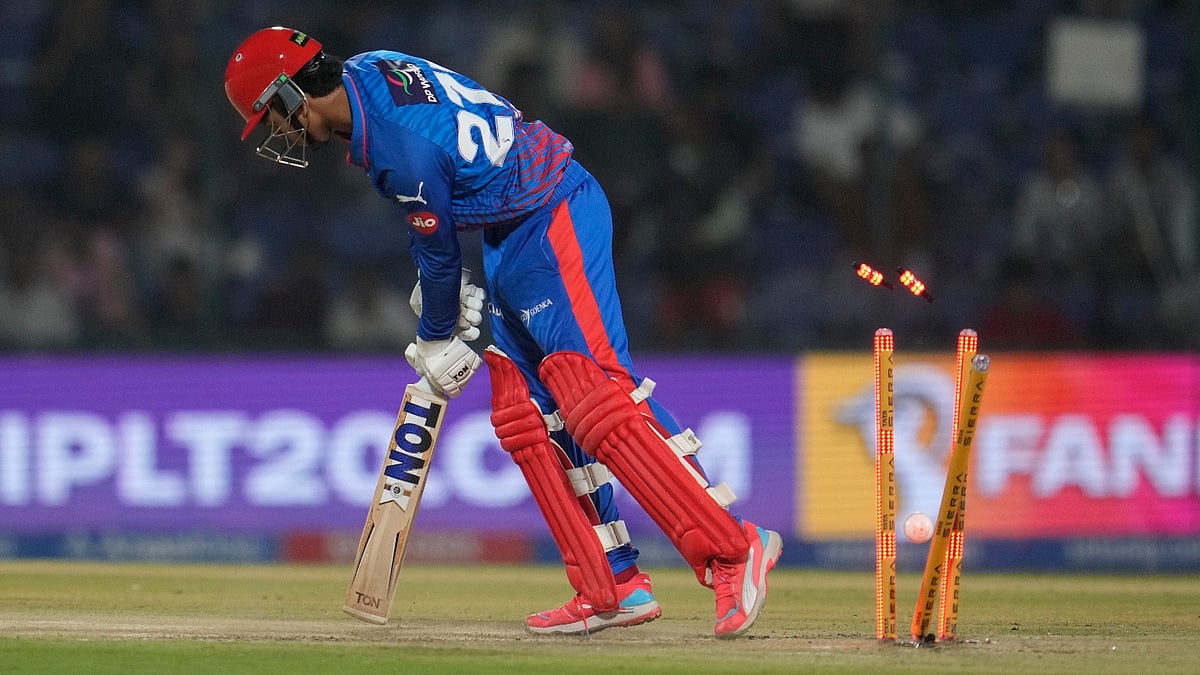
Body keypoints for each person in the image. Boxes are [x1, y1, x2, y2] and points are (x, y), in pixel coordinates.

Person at [224, 26, 781, 639]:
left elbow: (436, 246)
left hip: (553, 209)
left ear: (291, 94)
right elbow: (445, 203)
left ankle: (733, 548)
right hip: (507, 227)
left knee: (601, 394)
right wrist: (447, 294)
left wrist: (438, 331)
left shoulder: (393, 150)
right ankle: (612, 583)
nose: (278, 131)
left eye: (270, 115)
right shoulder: (369, 69)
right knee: (530, 414)